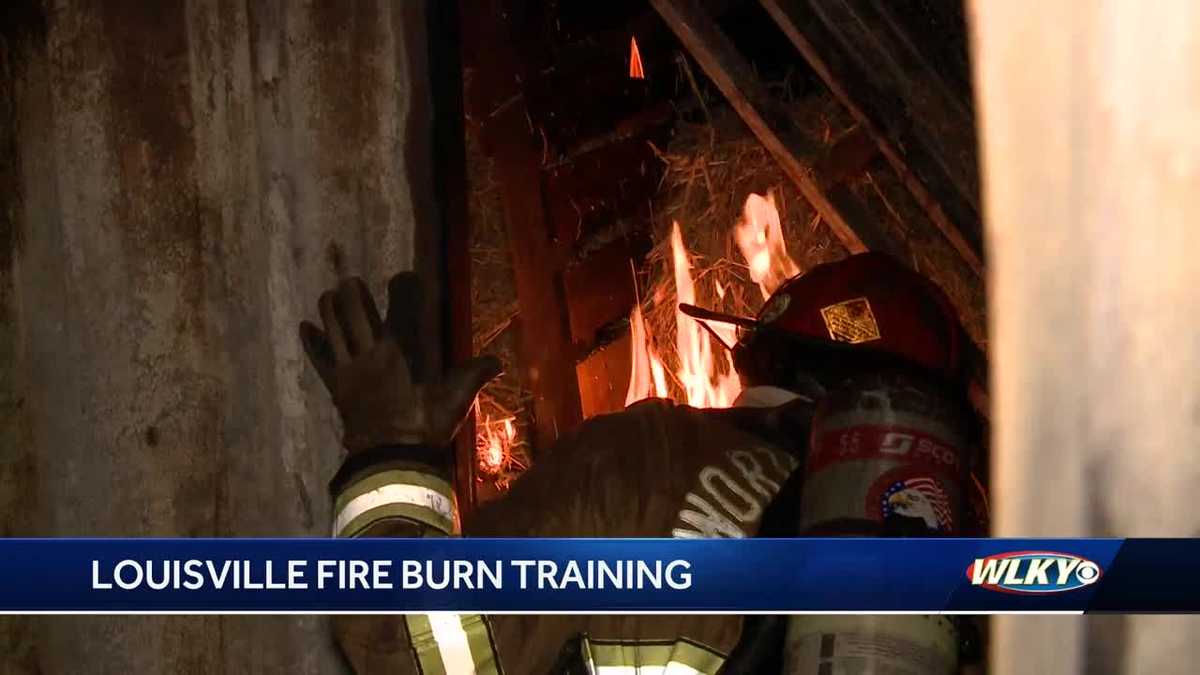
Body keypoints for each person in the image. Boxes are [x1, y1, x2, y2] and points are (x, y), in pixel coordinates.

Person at [299, 252, 987, 674]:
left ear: (772, 354)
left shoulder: (647, 457)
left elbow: (409, 644)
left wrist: (388, 445)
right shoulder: (950, 594)